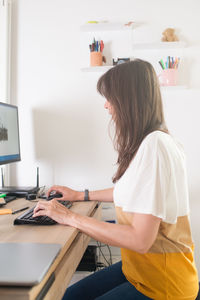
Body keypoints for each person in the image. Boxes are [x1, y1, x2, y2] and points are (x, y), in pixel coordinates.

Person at [33, 59, 199, 299]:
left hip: (163, 285)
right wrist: (81, 195)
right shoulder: (154, 141)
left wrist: (70, 216)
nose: (106, 106)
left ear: (127, 100)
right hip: (139, 271)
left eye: (109, 97)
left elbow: (140, 240)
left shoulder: (155, 146)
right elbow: (132, 191)